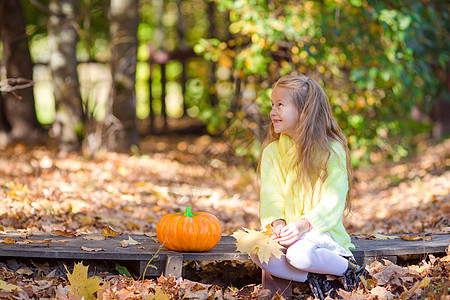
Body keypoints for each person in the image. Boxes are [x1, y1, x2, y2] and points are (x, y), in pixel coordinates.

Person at [251, 74, 363, 299]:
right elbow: (272, 196)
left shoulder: (331, 151)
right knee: (258, 251)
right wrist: (279, 225)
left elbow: (334, 200)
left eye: (280, 105)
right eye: (272, 105)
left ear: (304, 111)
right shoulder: (273, 152)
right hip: (292, 235)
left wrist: (303, 225)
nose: (273, 111)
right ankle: (316, 278)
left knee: (299, 255)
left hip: (321, 233)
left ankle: (348, 269)